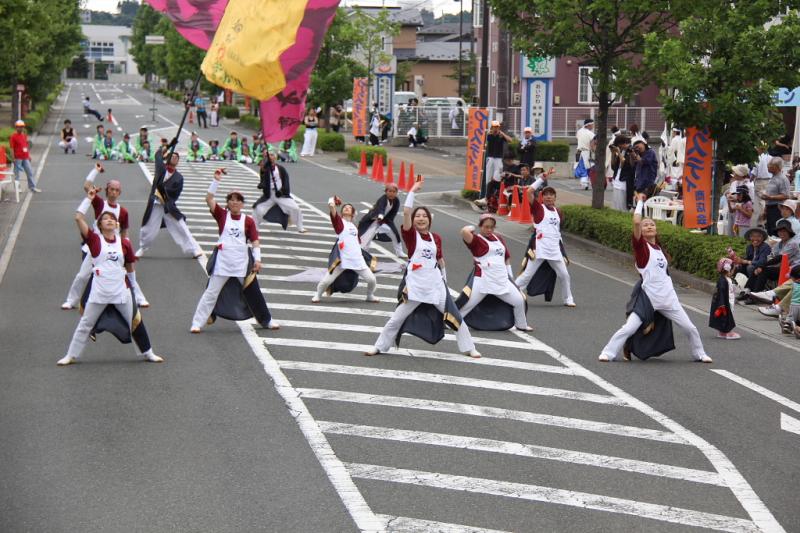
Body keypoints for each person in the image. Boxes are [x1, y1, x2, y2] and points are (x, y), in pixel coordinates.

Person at [364, 180, 481, 358]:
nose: (420, 218)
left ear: (429, 220)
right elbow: (406, 211)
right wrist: (412, 191)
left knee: (454, 316)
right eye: (417, 216)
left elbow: (440, 260)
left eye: (424, 216)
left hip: (435, 284)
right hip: (415, 285)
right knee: (396, 318)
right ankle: (379, 346)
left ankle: (469, 347)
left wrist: (445, 281)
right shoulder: (411, 236)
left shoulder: (436, 238)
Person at [599, 193, 713, 363]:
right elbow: (636, 221)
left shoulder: (660, 249)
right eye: (646, 226)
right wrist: (639, 202)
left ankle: (699, 353)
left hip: (668, 298)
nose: (649, 226)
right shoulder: (642, 249)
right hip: (649, 299)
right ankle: (608, 352)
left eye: (652, 224)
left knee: (690, 328)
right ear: (641, 232)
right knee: (628, 328)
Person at [57, 190, 163, 366]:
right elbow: (78, 218)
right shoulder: (94, 240)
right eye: (105, 219)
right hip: (99, 290)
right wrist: (88, 199)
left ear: (117, 224)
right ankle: (71, 355)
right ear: (99, 224)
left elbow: (130, 267)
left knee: (135, 321)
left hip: (121, 290)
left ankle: (148, 352)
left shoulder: (125, 244)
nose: (109, 220)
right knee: (85, 324)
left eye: (112, 219)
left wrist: (134, 288)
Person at [190, 170, 279, 332]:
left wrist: (258, 260)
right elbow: (209, 199)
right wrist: (215, 181)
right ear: (228, 203)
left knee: (254, 293)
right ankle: (197, 323)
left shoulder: (249, 221)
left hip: (242, 263)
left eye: (238, 200)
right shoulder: (222, 216)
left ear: (242, 203)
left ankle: (267, 321)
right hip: (223, 262)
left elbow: (255, 241)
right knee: (211, 293)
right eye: (231, 200)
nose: (234, 202)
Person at [62, 163, 148, 309]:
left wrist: (127, 247)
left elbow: (124, 232)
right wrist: (96, 170)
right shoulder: (100, 204)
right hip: (96, 245)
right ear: (107, 191)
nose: (113, 192)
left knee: (127, 272)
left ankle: (139, 298)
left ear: (119, 192)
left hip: (116, 246)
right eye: (111, 189)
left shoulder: (123, 211)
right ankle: (71, 300)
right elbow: (87, 186)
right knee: (83, 275)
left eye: (116, 190)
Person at [457, 214, 532, 331]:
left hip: (501, 279)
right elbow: (463, 231)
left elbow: (506, 258)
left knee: (519, 300)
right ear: (480, 226)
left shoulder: (498, 238)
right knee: (467, 305)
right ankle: (450, 322)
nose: (489, 230)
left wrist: (510, 275)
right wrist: (472, 228)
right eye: (486, 227)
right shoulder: (476, 240)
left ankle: (521, 324)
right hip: (482, 280)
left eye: (492, 227)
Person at [515, 182, 576, 307]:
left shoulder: (558, 212)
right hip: (539, 249)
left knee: (564, 275)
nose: (548, 197)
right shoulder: (538, 208)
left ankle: (568, 299)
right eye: (546, 195)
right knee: (527, 275)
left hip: (554, 249)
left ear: (555, 197)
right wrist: (541, 179)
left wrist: (562, 252)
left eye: (551, 195)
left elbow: (558, 233)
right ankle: (512, 294)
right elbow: (528, 192)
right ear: (542, 198)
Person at [137, 146, 203, 258]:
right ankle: (143, 248)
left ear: (178, 162)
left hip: (168, 206)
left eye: (176, 157)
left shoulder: (179, 178)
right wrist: (161, 149)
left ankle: (194, 249)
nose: (174, 158)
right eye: (172, 156)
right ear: (167, 158)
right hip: (155, 205)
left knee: (182, 226)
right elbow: (157, 156)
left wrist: (165, 195)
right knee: (147, 229)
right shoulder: (161, 169)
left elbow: (176, 194)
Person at [313, 196, 379, 303]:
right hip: (342, 260)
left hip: (357, 260)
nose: (347, 208)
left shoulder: (354, 226)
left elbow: (357, 243)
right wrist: (332, 200)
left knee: (372, 280)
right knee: (326, 281)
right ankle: (318, 295)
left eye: (349, 207)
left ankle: (369, 295)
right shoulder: (340, 223)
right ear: (342, 212)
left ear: (353, 213)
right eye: (345, 207)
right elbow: (332, 208)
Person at [253, 149, 306, 233]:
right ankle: (255, 228)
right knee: (258, 209)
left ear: (276, 157)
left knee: (295, 208)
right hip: (269, 195)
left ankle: (300, 227)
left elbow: (286, 182)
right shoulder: (264, 168)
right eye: (268, 155)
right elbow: (263, 179)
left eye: (272, 155)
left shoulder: (281, 169)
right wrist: (262, 184)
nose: (270, 157)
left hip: (280, 194)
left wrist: (282, 191)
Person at [358, 184, 404, 257]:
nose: (392, 193)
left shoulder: (396, 201)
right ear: (386, 192)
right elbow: (381, 208)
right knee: (367, 236)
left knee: (395, 234)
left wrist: (387, 221)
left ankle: (399, 252)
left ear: (396, 192)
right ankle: (362, 252)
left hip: (386, 221)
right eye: (390, 191)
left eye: (394, 191)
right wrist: (380, 215)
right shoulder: (382, 199)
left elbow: (393, 213)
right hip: (373, 220)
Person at [709, 257, 740, 340]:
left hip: (724, 301)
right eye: (732, 270)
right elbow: (721, 293)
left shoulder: (724, 279)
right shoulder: (723, 281)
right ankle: (728, 332)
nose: (733, 272)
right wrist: (722, 304)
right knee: (727, 317)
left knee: (723, 317)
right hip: (724, 302)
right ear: (727, 269)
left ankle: (722, 332)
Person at [761, 157, 791, 235]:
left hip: (777, 209)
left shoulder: (783, 179)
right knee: (769, 230)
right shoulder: (772, 178)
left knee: (775, 230)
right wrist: (765, 209)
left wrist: (770, 197)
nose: (768, 167)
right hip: (770, 208)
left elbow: (786, 195)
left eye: (770, 165)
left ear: (776, 167)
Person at [9, 120, 40, 193]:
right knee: (17, 174)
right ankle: (18, 188)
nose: (21, 128)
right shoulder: (13, 136)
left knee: (30, 172)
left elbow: (25, 146)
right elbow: (11, 148)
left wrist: (28, 156)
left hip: (25, 157)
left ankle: (32, 187)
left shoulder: (24, 135)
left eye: (22, 127)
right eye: (19, 127)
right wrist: (13, 158)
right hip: (17, 158)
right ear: (16, 127)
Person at [485, 121, 512, 200]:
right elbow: (482, 141)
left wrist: (502, 134)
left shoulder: (501, 135)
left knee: (498, 175)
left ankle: (496, 194)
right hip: (490, 158)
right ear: (491, 127)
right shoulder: (489, 135)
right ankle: (487, 195)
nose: (495, 128)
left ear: (499, 127)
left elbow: (510, 140)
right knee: (488, 176)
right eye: (494, 127)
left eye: (497, 127)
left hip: (499, 159)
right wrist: (488, 133)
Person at [609, 135, 632, 211]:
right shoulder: (621, 150)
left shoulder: (630, 150)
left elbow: (623, 164)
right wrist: (613, 153)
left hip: (624, 181)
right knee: (616, 204)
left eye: (618, 146)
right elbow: (613, 166)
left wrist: (618, 152)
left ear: (622, 144)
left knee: (622, 205)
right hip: (617, 180)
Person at [575, 118, 595, 190]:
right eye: (592, 124)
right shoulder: (591, 134)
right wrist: (594, 151)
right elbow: (592, 145)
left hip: (579, 151)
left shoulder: (579, 131)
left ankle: (584, 182)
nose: (593, 126)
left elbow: (577, 139)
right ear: (589, 125)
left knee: (581, 167)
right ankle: (585, 183)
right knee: (587, 168)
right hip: (586, 152)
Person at [786, 266, 800, 338]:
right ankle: (797, 327)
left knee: (791, 317)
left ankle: (788, 326)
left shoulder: (793, 285)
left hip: (794, 305)